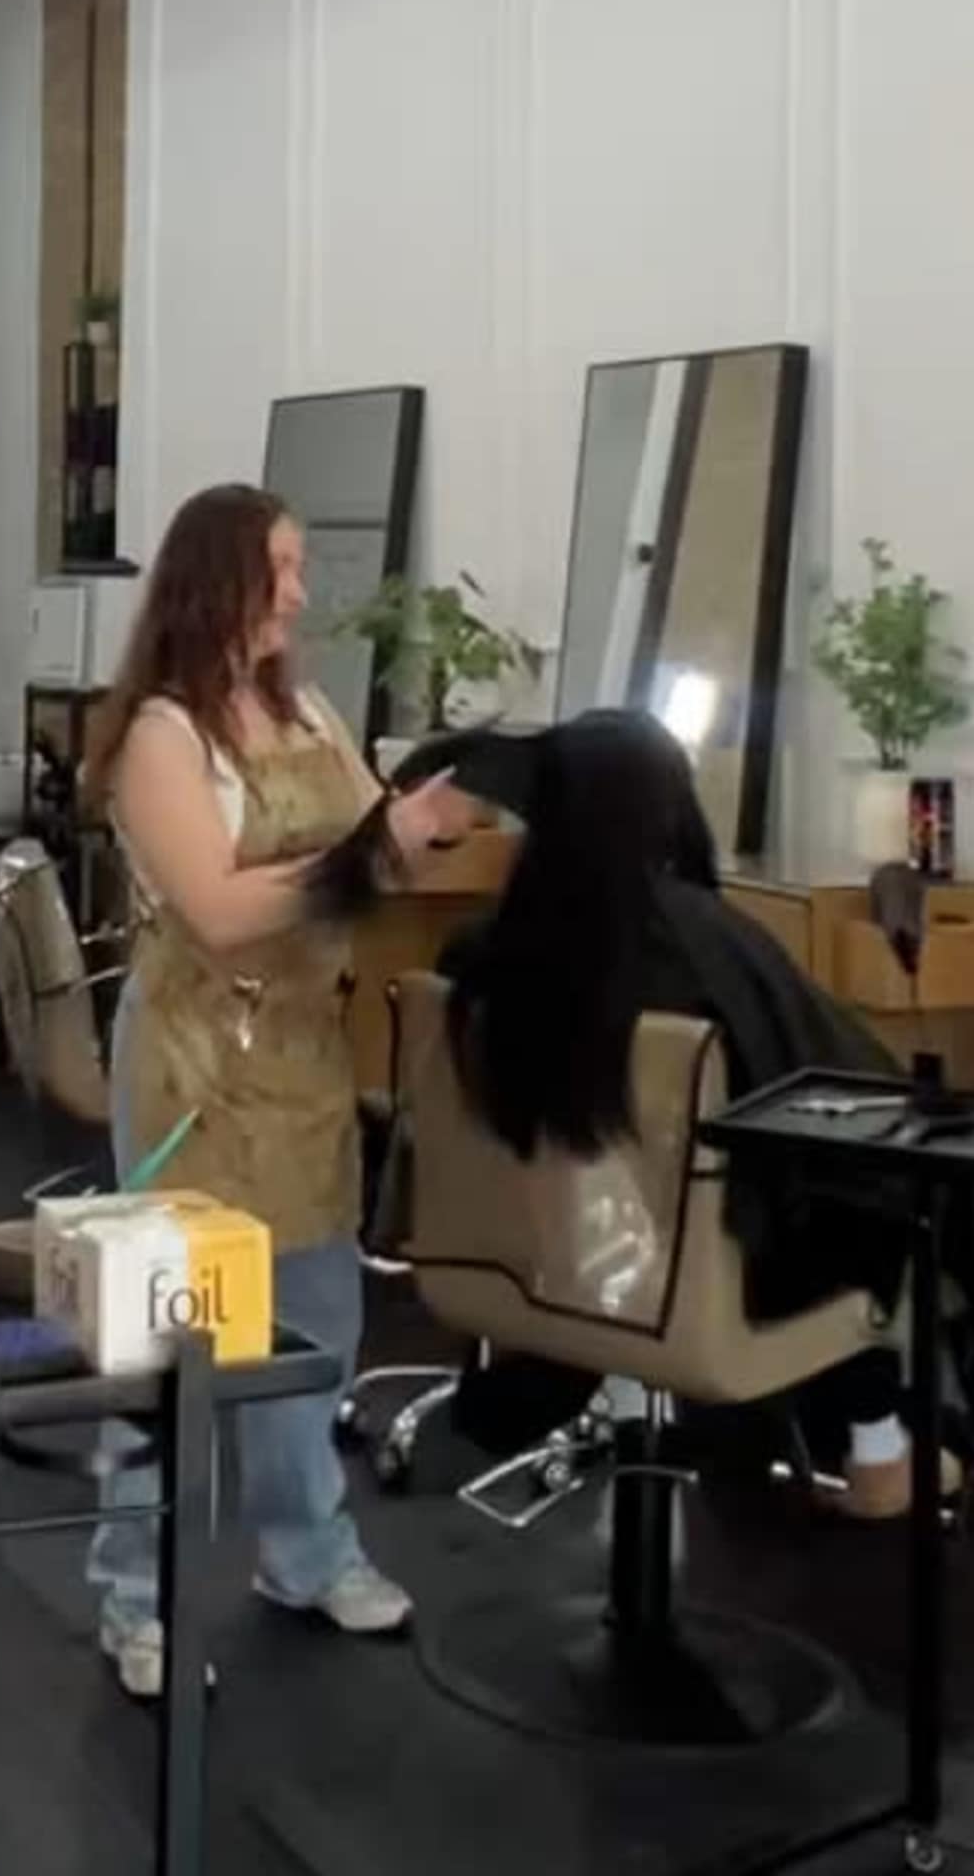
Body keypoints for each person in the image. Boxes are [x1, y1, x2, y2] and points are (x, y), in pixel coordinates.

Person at [81, 480, 462, 1697]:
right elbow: (220, 909)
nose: (300, 592)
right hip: (195, 1063)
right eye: (281, 569)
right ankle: (135, 1593)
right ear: (221, 581)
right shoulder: (161, 738)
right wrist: (372, 849)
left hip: (302, 1053)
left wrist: (428, 822)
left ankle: (307, 1555)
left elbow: (369, 861)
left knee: (316, 1318)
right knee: (169, 1334)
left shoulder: (310, 714)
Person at [428, 710, 921, 1514]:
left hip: (532, 1273)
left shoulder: (477, 954)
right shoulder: (708, 948)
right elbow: (847, 1083)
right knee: (865, 1191)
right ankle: (878, 1443)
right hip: (681, 1288)